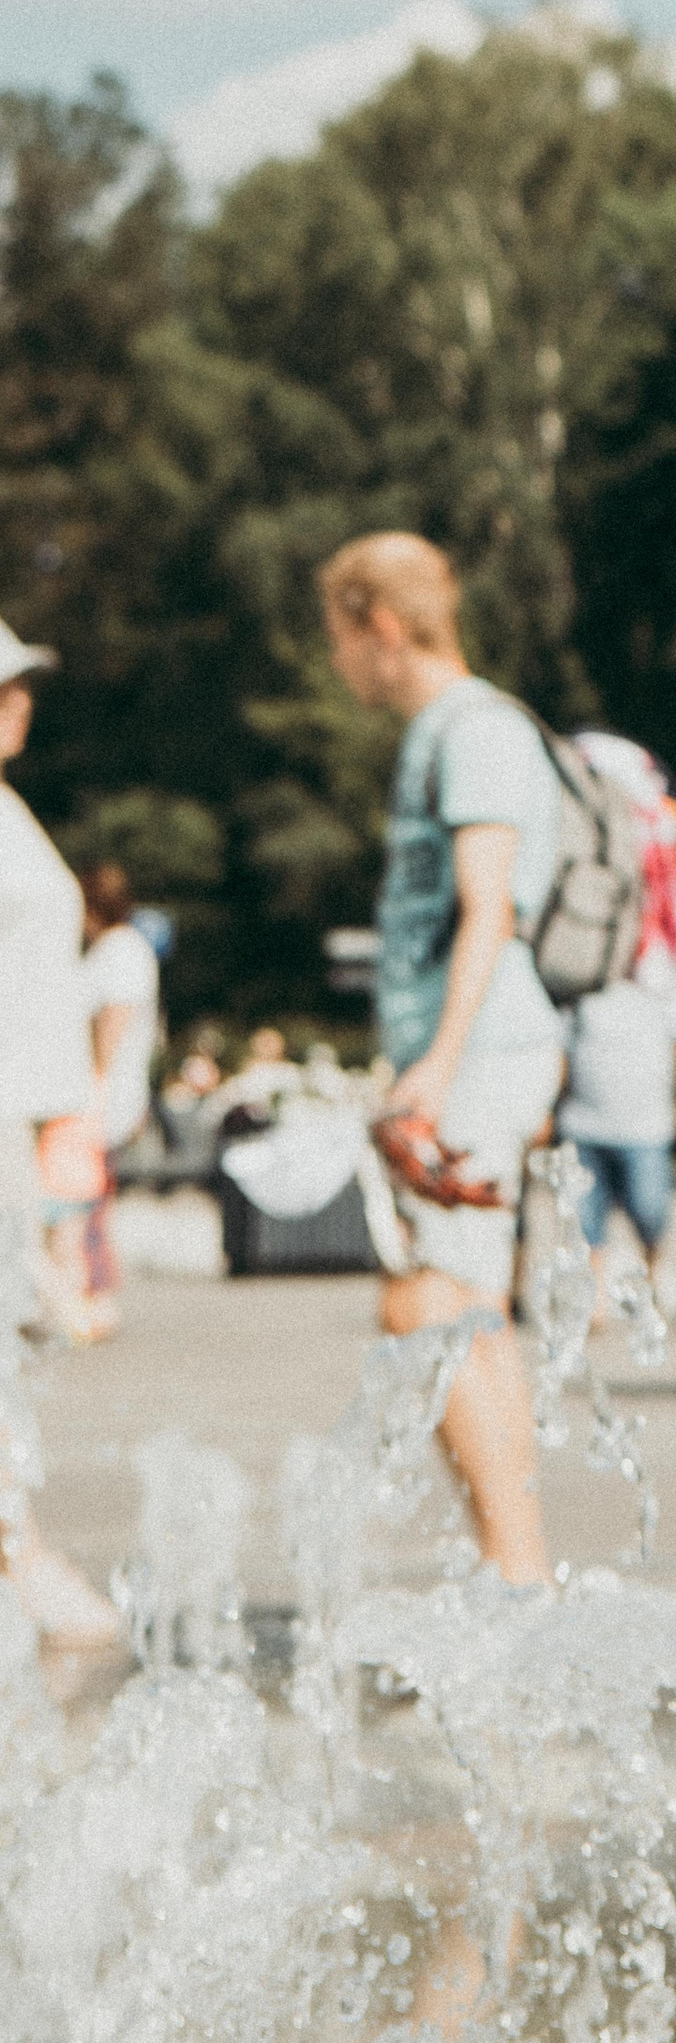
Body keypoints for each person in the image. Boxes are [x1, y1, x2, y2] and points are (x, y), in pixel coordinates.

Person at [322, 532, 564, 1588]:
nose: (337, 662)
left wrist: (438, 1060)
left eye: (338, 637)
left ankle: (515, 1572)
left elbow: (489, 907)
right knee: (468, 1308)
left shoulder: (476, 731)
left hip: (479, 1051)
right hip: (478, 1050)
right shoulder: (455, 730)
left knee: (426, 1303)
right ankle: (520, 1570)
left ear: (379, 625)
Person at [0, 613, 124, 1646]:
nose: (19, 703)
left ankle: (17, 1547)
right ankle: (18, 1551)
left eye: (21, 685)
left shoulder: (9, 809)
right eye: (2, 688)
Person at [554, 733, 676, 1315]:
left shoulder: (662, 975)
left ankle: (652, 1271)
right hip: (584, 1120)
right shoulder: (583, 976)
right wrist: (548, 1105)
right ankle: (592, 1298)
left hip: (645, 1123)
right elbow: (562, 1045)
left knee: (650, 1209)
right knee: (585, 1215)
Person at [66, 862, 163, 1325]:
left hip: (102, 1092)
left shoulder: (119, 951)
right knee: (93, 1192)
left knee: (86, 1193)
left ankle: (94, 1293)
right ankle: (92, 1290)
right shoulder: (127, 948)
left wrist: (95, 1086)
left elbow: (112, 1023)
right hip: (113, 1090)